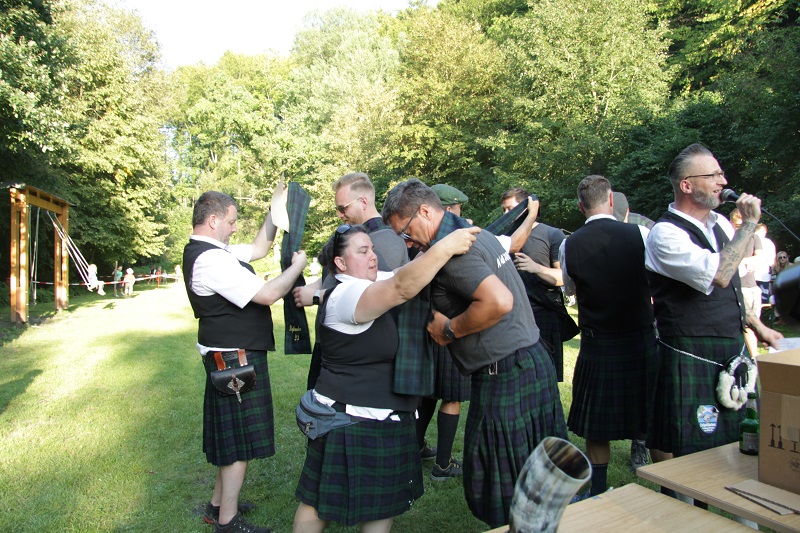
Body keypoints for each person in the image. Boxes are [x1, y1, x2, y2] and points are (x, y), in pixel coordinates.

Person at [382, 178, 567, 529]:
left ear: (425, 212)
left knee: (499, 483)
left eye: (406, 231)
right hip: (530, 361)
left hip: (505, 372)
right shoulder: (476, 233)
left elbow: (499, 301)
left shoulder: (456, 255)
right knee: (539, 474)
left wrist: (449, 330)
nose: (407, 241)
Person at [293, 223, 479, 533]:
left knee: (381, 506)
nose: (373, 256)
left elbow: (402, 274)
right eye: (362, 251)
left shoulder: (361, 283)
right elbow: (401, 287)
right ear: (340, 263)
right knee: (318, 502)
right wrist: (446, 245)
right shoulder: (347, 295)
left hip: (380, 418)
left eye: (372, 249)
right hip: (350, 420)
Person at [645, 143, 782, 463]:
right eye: (713, 175)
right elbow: (719, 274)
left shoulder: (720, 224)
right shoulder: (665, 234)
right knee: (691, 448)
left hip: (730, 348)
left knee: (736, 443)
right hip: (690, 351)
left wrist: (756, 324)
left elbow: (730, 286)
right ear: (687, 185)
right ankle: (677, 493)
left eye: (721, 174)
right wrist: (748, 225)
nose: (723, 181)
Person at [183, 190, 307, 533]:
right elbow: (267, 294)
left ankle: (217, 506)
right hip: (233, 358)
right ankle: (228, 521)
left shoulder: (211, 250)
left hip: (231, 355)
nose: (235, 227)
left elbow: (258, 249)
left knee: (231, 438)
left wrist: (275, 211)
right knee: (237, 443)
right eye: (232, 221)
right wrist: (296, 268)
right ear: (213, 220)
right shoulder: (211, 259)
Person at [560, 176, 658, 497]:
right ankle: (672, 495)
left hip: (598, 343)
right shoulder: (641, 234)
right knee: (653, 421)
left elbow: (571, 288)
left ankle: (598, 493)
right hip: (640, 341)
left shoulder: (569, 245)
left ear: (580, 207)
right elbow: (655, 277)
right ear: (612, 200)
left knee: (597, 427)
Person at [500, 188, 575, 383]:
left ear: (526, 208)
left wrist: (536, 268)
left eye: (511, 209)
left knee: (546, 378)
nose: (506, 214)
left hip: (544, 314)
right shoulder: (504, 238)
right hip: (512, 316)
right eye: (504, 210)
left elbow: (564, 278)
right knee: (513, 379)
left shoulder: (552, 234)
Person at [729, 208, 763, 357]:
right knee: (745, 326)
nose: (741, 229)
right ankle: (753, 358)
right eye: (737, 225)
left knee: (754, 325)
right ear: (731, 223)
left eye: (744, 225)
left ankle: (752, 358)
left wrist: (743, 261)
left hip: (752, 286)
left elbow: (760, 257)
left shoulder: (754, 237)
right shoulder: (729, 238)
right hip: (738, 286)